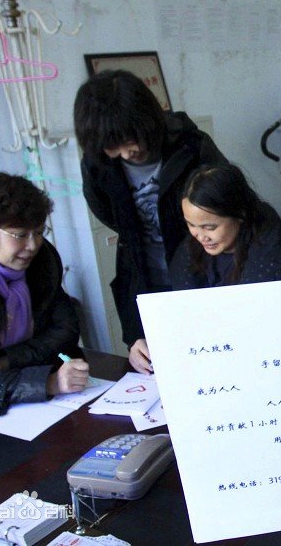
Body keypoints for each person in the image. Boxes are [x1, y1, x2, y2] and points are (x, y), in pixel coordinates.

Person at [73, 69, 229, 374]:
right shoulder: (98, 164)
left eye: (129, 140)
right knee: (155, 366)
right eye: (112, 147)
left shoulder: (191, 146)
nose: (125, 153)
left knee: (213, 363)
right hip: (146, 281)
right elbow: (107, 213)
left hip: (203, 274)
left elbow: (227, 208)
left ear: (147, 119)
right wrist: (135, 336)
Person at [0, 173, 88, 412]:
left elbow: (65, 330)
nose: (33, 245)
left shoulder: (42, 263)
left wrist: (5, 361)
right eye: (20, 235)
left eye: (38, 232)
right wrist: (47, 382)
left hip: (42, 402)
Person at [170, 163, 281, 294]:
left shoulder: (274, 253)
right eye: (191, 224)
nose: (200, 236)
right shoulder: (194, 244)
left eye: (210, 227)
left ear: (240, 214)